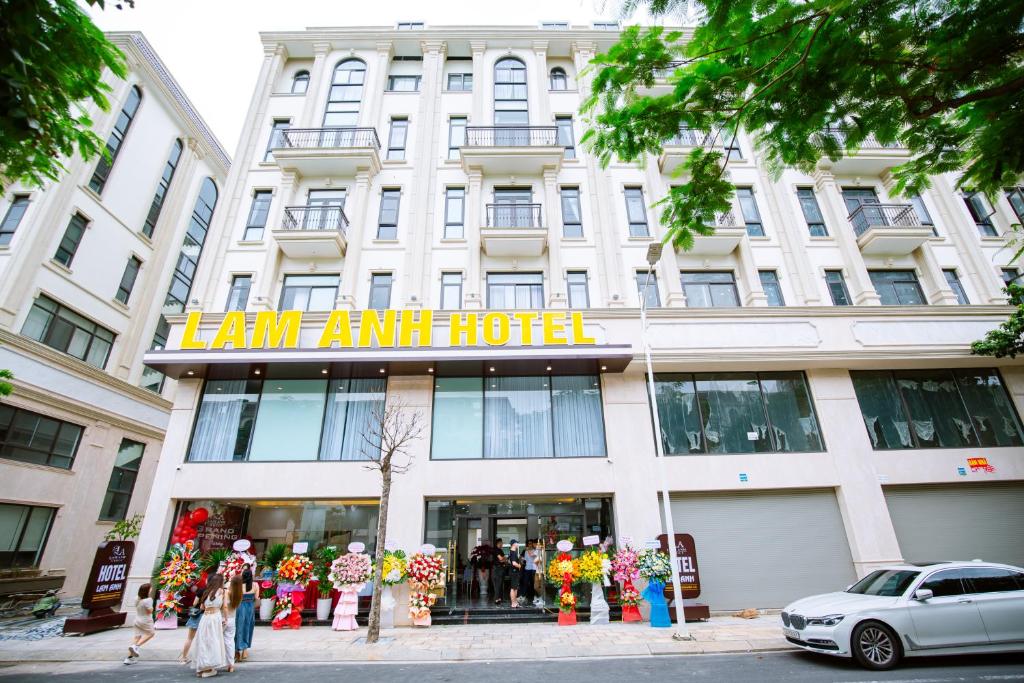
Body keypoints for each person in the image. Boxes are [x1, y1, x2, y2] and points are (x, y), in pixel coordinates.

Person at [193, 573, 228, 677]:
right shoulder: (223, 591)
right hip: (215, 617)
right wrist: (225, 618)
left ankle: (201, 667)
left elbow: (201, 608)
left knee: (203, 641)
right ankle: (209, 668)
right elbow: (225, 607)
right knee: (213, 641)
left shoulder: (206, 591)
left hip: (205, 618)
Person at [123, 583, 154, 665]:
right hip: (146, 620)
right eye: (150, 588)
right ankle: (136, 646)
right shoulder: (148, 600)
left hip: (137, 619)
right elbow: (149, 611)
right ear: (147, 590)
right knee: (151, 634)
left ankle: (128, 658)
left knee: (137, 637)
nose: (151, 589)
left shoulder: (137, 598)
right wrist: (152, 608)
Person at [234, 568, 257, 662]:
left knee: (238, 627)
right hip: (250, 608)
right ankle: (245, 650)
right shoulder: (255, 585)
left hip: (240, 607)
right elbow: (257, 598)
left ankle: (237, 649)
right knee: (248, 627)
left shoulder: (239, 586)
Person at [222, 575, 242, 671]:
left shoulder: (227, 592)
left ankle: (218, 662)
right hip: (232, 618)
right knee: (230, 641)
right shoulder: (239, 594)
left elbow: (225, 606)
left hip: (224, 618)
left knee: (218, 640)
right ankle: (231, 664)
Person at [180, 585, 203, 665]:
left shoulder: (201, 590)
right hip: (207, 616)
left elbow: (194, 603)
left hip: (196, 616)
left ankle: (183, 657)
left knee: (190, 638)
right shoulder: (214, 591)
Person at [522, 539, 538, 606]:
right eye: (528, 543)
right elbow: (525, 559)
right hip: (527, 568)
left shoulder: (535, 551)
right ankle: (524, 595)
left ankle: (533, 595)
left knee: (533, 583)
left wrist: (527, 550)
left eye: (531, 543)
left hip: (533, 568)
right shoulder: (526, 552)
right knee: (525, 582)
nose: (530, 545)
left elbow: (531, 555)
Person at [507, 540, 522, 609]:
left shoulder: (513, 552)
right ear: (513, 544)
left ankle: (515, 602)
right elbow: (513, 563)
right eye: (517, 543)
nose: (518, 544)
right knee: (513, 588)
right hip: (514, 572)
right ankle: (513, 603)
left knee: (515, 588)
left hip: (514, 572)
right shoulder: (513, 552)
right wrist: (519, 566)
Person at [490, 538, 506, 605]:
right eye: (502, 543)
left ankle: (499, 598)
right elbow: (501, 558)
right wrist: (504, 559)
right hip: (497, 569)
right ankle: (496, 599)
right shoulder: (496, 550)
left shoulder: (500, 550)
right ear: (498, 543)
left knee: (499, 584)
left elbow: (503, 560)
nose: (502, 544)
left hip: (500, 569)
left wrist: (503, 559)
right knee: (497, 585)